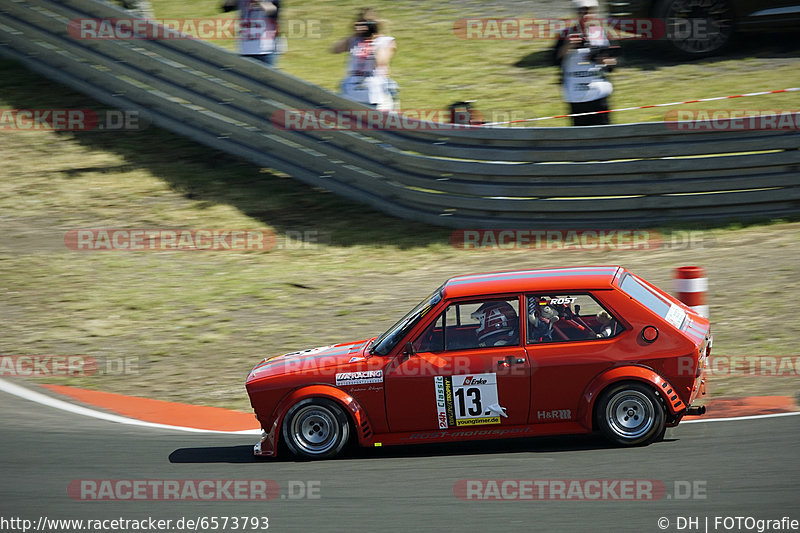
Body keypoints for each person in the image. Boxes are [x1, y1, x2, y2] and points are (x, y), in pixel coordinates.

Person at [552, 0, 617, 126]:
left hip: (599, 94)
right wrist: (567, 46)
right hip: (576, 96)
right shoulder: (566, 34)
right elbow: (554, 59)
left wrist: (604, 60)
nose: (585, 15)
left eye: (589, 12)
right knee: (580, 136)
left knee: (604, 134)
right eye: (581, 12)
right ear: (576, 14)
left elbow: (614, 63)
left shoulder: (602, 34)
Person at [332, 13, 397, 110]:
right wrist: (354, 35)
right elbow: (335, 49)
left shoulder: (385, 41)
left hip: (375, 92)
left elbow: (382, 62)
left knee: (391, 86)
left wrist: (373, 43)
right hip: (353, 89)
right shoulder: (354, 40)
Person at [225, 0, 281, 66]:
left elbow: (274, 12)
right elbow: (226, 7)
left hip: (265, 50)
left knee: (268, 75)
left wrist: (259, 2)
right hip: (245, 49)